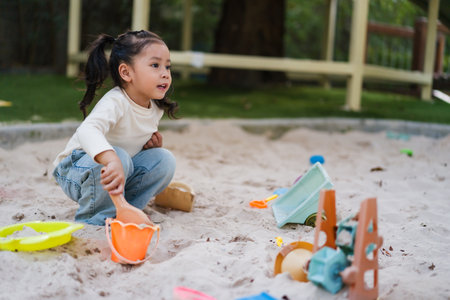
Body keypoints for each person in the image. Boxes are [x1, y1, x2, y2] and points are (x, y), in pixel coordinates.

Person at [53, 30, 177, 226]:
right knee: (118, 156)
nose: (165, 73)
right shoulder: (116, 101)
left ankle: (126, 211)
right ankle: (95, 219)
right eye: (155, 65)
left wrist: (148, 147)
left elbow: (128, 142)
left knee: (164, 160)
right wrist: (110, 158)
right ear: (126, 72)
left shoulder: (154, 107)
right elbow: (87, 130)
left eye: (167, 67)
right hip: (76, 170)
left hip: (117, 171)